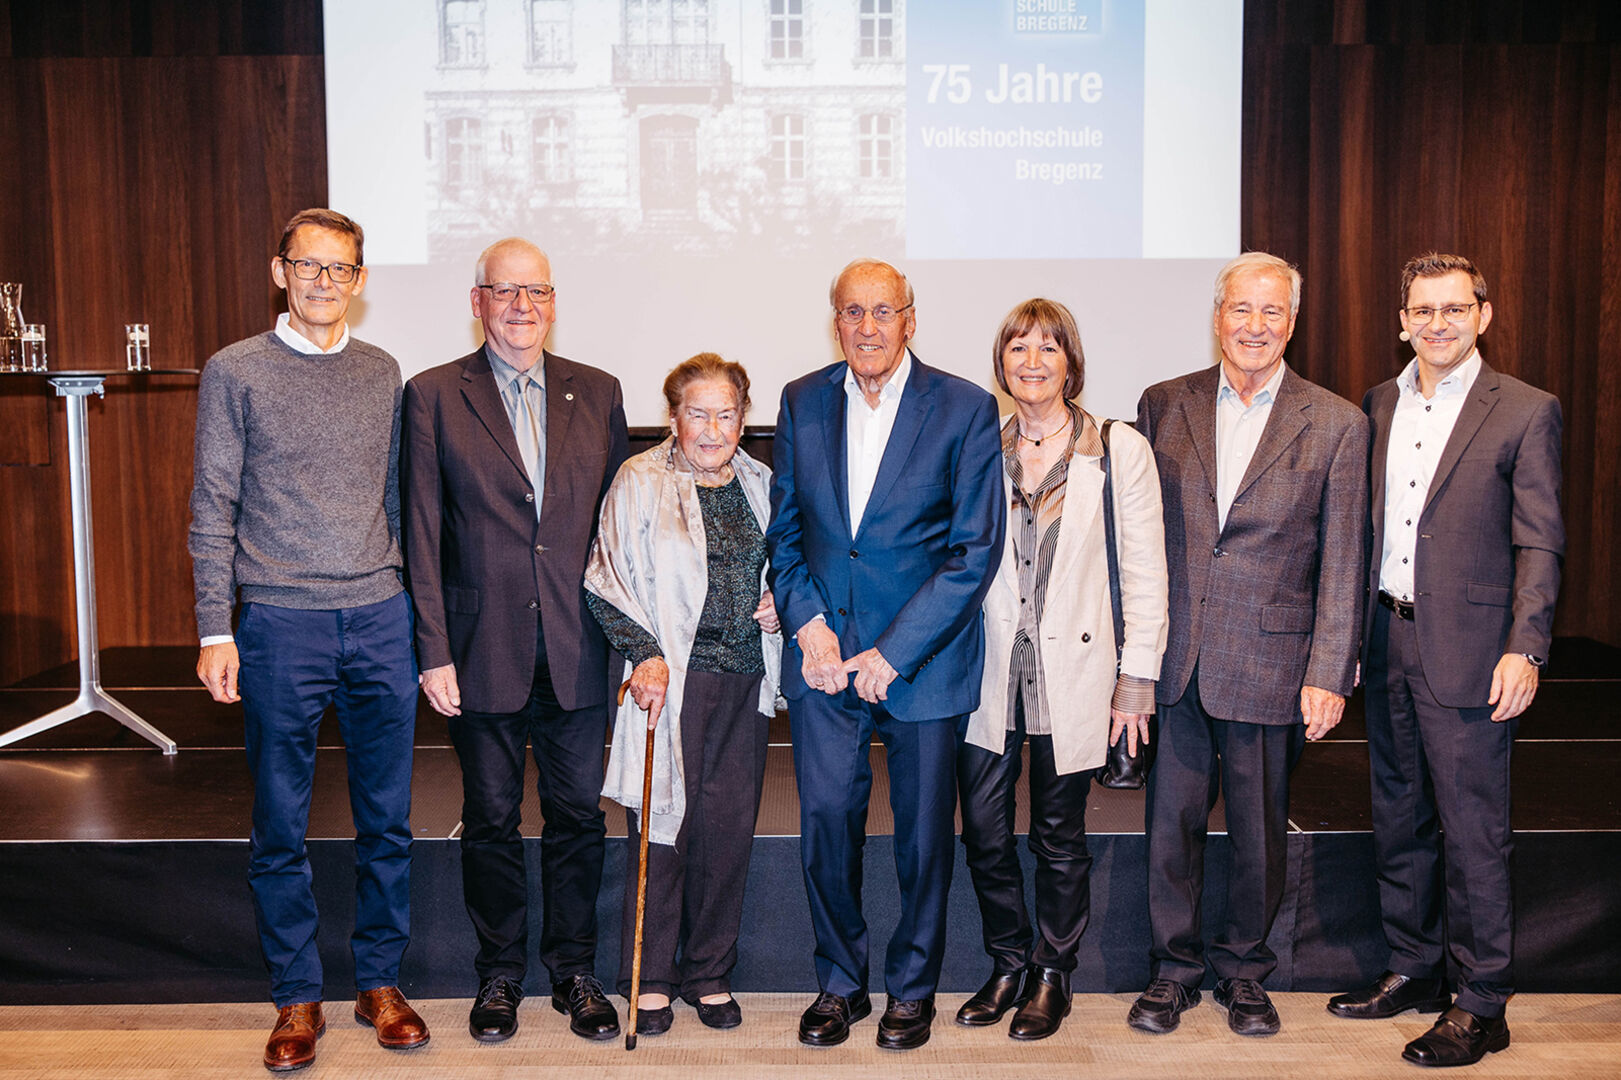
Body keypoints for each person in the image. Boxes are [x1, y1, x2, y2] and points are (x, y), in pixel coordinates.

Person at [189, 208, 429, 1071]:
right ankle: (296, 996)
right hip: (279, 623)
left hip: (377, 618)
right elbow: (211, 505)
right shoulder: (234, 370)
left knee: (387, 820)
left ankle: (378, 982)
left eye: (341, 269)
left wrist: (407, 609)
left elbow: (400, 501)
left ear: (360, 281)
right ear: (279, 271)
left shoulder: (382, 371)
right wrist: (217, 627)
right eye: (309, 265)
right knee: (279, 824)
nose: (325, 282)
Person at [1326, 253, 1563, 1068]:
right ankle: (1412, 965)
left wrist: (1524, 646)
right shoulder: (1377, 404)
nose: (1437, 323)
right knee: (1398, 820)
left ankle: (1482, 1001)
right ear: (1400, 321)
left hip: (1470, 651)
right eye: (1422, 310)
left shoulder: (1527, 411)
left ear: (1483, 315)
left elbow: (1538, 542)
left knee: (1471, 833)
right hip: (1386, 640)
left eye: (1454, 309)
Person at [1127, 252, 1368, 1039]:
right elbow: (1140, 538)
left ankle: (1243, 972)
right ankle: (1172, 971)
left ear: (1291, 322)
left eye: (1271, 312)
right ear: (1217, 315)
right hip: (1177, 656)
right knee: (1171, 828)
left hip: (1272, 660)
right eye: (1240, 309)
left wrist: (1329, 670)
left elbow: (1343, 559)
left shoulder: (1335, 422)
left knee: (1260, 835)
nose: (1253, 326)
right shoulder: (1165, 404)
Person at [766, 258, 1005, 1051]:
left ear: (910, 319)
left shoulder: (965, 407)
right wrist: (805, 622)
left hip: (923, 663)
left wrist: (893, 653)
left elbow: (973, 551)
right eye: (851, 312)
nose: (866, 327)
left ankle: (911, 988)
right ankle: (840, 983)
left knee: (922, 837)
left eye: (882, 311)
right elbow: (788, 531)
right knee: (826, 825)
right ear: (834, 321)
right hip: (823, 663)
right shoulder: (801, 399)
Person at [402, 238, 629, 1043]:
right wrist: (431, 648)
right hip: (476, 648)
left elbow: (616, 534)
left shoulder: (597, 392)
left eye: (535, 290)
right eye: (504, 291)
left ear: (553, 301)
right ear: (477, 302)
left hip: (576, 650)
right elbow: (421, 532)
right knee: (491, 817)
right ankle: (498, 974)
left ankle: (574, 972)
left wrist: (633, 643)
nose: (521, 305)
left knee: (577, 817)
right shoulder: (431, 395)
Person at [957, 299, 1168, 1040]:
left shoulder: (1114, 448)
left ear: (1070, 362)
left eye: (1048, 348)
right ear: (1001, 363)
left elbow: (1144, 570)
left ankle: (1052, 973)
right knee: (982, 830)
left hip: (1072, 672)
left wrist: (1135, 678)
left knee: (1057, 836)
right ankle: (1006, 961)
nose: (1033, 362)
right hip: (986, 674)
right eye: (1018, 349)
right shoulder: (980, 443)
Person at [583, 354, 782, 1036]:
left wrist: (780, 601)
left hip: (746, 680)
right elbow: (602, 576)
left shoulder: (761, 483)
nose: (711, 428)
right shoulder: (639, 480)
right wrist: (641, 654)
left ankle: (709, 971)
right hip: (669, 682)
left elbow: (788, 567)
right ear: (673, 417)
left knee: (726, 829)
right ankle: (652, 978)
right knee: (663, 826)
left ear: (742, 420)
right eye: (697, 413)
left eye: (725, 415)